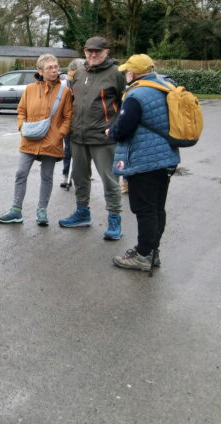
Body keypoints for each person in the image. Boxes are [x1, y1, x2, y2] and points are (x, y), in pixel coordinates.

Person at [107, 54, 179, 271]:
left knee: (144, 209)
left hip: (145, 160)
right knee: (157, 208)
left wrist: (111, 132)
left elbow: (123, 128)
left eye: (127, 71)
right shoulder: (165, 87)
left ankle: (143, 255)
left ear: (134, 73)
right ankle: (152, 252)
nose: (126, 75)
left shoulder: (136, 94)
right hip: (165, 157)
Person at [58, 36, 126, 240]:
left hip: (103, 139)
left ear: (106, 52)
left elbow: (126, 104)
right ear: (85, 52)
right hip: (78, 137)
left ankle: (114, 219)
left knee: (110, 181)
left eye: (98, 51)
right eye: (90, 51)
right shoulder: (79, 72)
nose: (93, 54)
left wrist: (115, 128)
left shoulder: (117, 73)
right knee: (79, 178)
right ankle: (82, 213)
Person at [0, 54, 73, 226]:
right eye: (49, 68)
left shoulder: (65, 91)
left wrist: (59, 134)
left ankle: (42, 211)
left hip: (52, 141)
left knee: (47, 176)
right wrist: (21, 126)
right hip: (29, 138)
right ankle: (16, 210)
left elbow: (68, 117)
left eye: (56, 66)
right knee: (21, 173)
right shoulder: (30, 89)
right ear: (40, 71)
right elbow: (21, 110)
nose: (54, 70)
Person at [60, 58, 83, 188]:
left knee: (81, 152)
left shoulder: (86, 82)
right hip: (69, 121)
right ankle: (66, 175)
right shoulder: (64, 84)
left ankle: (80, 176)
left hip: (83, 122)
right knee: (68, 149)